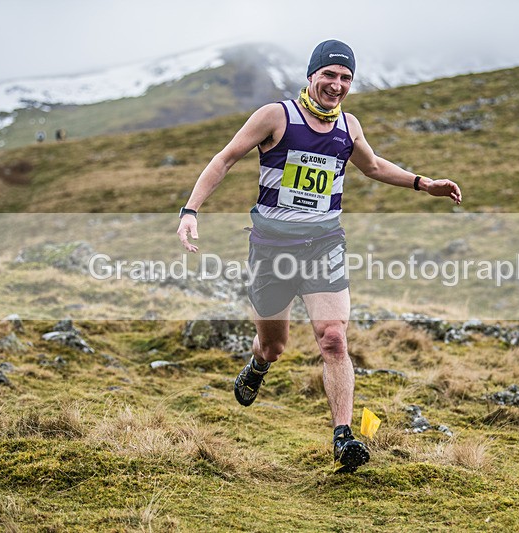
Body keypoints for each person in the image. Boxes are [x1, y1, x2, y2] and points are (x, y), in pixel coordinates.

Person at [177, 39, 462, 473]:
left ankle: (343, 437)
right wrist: (190, 211)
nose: (337, 84)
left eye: (346, 77)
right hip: (271, 249)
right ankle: (257, 364)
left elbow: (374, 167)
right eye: (329, 74)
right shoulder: (277, 116)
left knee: (333, 337)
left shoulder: (349, 126)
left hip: (324, 245)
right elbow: (225, 159)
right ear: (311, 75)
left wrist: (424, 183)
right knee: (274, 346)